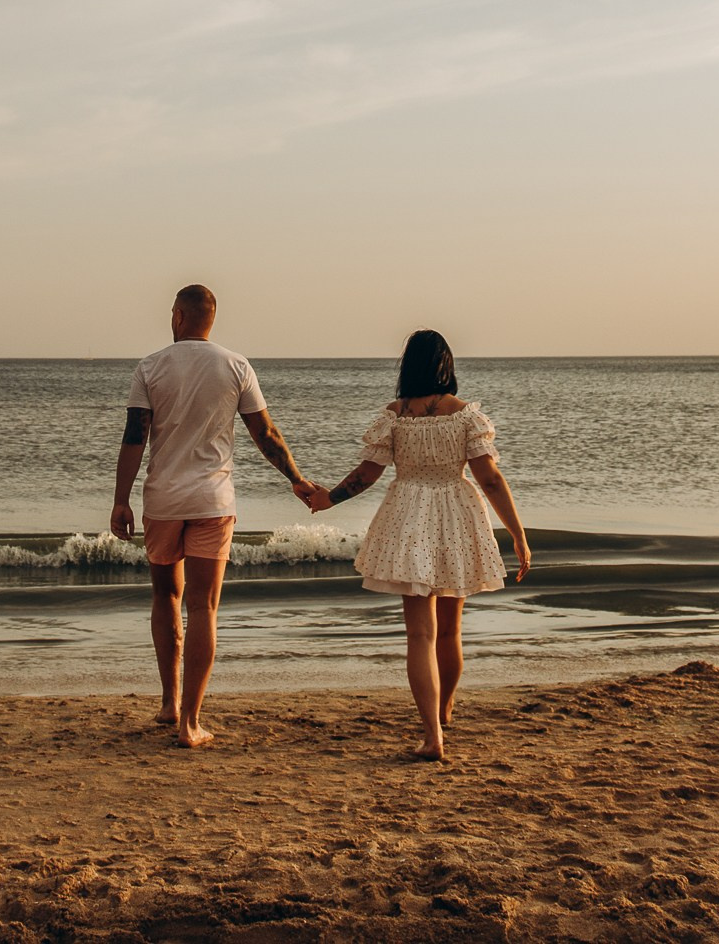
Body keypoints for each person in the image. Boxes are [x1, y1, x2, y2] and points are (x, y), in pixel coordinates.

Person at [308, 329, 530, 760]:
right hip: (457, 514)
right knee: (449, 631)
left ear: (407, 366)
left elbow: (368, 474)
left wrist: (327, 499)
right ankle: (444, 711)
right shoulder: (466, 417)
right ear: (447, 365)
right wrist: (517, 534)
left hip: (407, 513)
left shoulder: (395, 415)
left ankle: (432, 734)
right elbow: (490, 479)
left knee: (419, 636)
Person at [110, 283, 315, 748]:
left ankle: (168, 702)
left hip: (163, 500)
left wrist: (121, 500)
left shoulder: (151, 366)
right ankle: (190, 722)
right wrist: (296, 479)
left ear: (178, 316)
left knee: (165, 597)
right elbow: (264, 432)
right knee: (203, 606)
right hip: (212, 501)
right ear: (211, 318)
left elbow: (134, 438)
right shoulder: (235, 365)